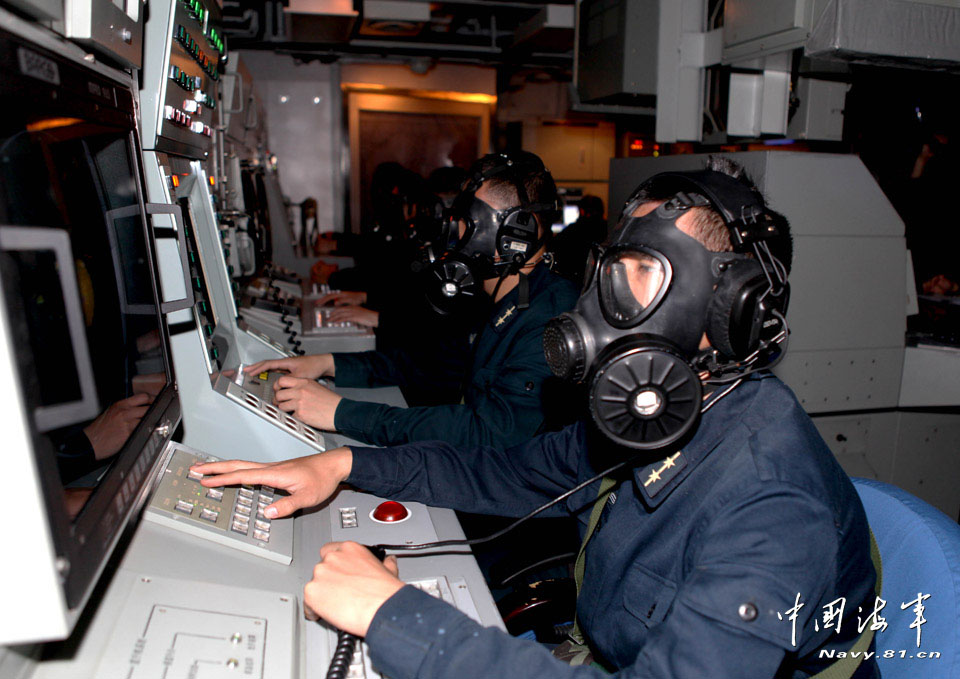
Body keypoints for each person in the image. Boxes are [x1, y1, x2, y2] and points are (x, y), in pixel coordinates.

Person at [195, 159, 879, 678]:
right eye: (609, 273)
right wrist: (343, 462)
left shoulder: (773, 504)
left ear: (728, 310)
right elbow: (507, 469)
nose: (602, 307)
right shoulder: (656, 413)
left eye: (641, 276)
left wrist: (395, 617)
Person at [245, 151, 579, 448]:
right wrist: (329, 364)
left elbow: (489, 434)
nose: (453, 233)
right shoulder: (491, 300)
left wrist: (342, 413)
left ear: (513, 235)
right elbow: (427, 368)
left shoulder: (549, 320)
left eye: (466, 222)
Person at [547, 194, 608, 286]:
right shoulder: (609, 230)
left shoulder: (571, 231)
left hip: (572, 282)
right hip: (601, 282)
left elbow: (554, 249)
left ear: (581, 211)